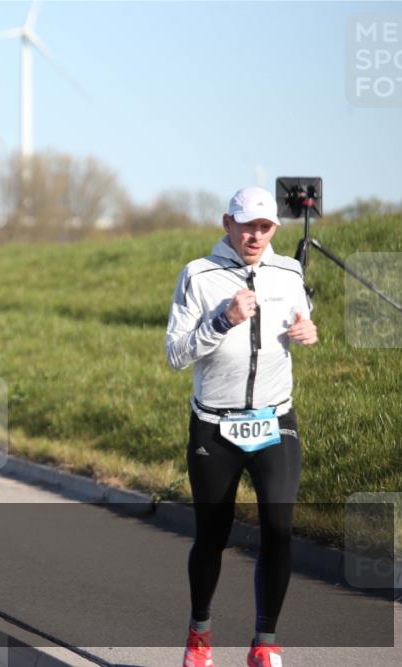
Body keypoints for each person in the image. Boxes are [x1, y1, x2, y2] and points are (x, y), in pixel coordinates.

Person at [165, 187, 318, 667]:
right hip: (215, 426)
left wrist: (308, 331)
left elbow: (301, 320)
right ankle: (200, 634)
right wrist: (223, 318)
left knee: (279, 527)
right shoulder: (198, 275)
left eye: (265, 227)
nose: (256, 235)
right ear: (227, 223)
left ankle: (265, 643)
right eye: (247, 225)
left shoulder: (289, 271)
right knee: (213, 534)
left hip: (275, 419)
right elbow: (176, 353)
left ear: (275, 229)